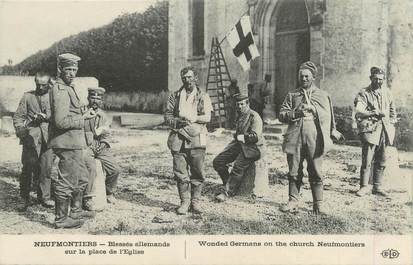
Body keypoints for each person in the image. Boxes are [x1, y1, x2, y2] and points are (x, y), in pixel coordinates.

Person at [278, 61, 343, 215]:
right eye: (301, 76)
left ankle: (318, 204)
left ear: (313, 77)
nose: (304, 79)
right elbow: (281, 115)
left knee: (315, 170)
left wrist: (314, 109)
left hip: (315, 139)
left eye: (307, 76)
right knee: (294, 170)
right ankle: (293, 200)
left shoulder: (323, 95)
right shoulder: (292, 95)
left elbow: (329, 117)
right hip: (295, 139)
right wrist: (296, 113)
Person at [48, 53, 97, 228]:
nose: (72, 73)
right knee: (67, 181)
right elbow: (60, 122)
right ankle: (61, 219)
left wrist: (83, 113)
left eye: (74, 69)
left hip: (74, 142)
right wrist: (83, 118)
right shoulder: (60, 90)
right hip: (66, 142)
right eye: (68, 69)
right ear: (60, 69)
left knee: (82, 177)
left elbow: (71, 112)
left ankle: (75, 212)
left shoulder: (68, 87)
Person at [164, 66, 213, 215]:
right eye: (184, 78)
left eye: (190, 77)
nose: (187, 81)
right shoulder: (175, 96)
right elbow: (167, 116)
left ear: (196, 78)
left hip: (197, 138)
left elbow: (208, 117)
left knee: (197, 172)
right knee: (180, 172)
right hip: (178, 138)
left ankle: (195, 202)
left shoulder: (203, 96)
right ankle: (184, 202)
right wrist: (177, 122)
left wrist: (194, 118)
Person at [13, 72, 54, 211]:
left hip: (49, 138)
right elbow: (18, 118)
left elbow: (59, 117)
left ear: (49, 84)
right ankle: (24, 198)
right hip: (31, 139)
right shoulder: (27, 96)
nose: (40, 87)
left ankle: (44, 197)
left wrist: (47, 118)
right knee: (27, 168)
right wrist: (23, 135)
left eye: (44, 85)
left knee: (46, 168)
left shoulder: (54, 97)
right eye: (38, 84)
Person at [213, 92, 265, 202]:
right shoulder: (240, 116)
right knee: (218, 161)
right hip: (240, 145)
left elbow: (255, 136)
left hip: (253, 148)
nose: (240, 107)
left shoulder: (254, 117)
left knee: (238, 167)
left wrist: (242, 137)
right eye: (238, 105)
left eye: (242, 104)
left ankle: (227, 192)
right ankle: (228, 183)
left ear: (248, 104)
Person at [354, 67, 396, 197]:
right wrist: (373, 112)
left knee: (382, 159)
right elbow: (358, 111)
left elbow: (392, 110)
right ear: (370, 78)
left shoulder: (387, 92)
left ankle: (377, 186)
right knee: (367, 159)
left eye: (380, 79)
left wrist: (391, 123)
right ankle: (364, 186)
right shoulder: (364, 93)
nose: (378, 81)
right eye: (375, 79)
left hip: (384, 129)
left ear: (383, 80)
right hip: (370, 129)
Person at [82, 87, 120, 210]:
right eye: (93, 97)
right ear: (88, 98)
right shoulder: (82, 113)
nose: (95, 100)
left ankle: (109, 192)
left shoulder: (104, 116)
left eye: (98, 98)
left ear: (101, 101)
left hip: (100, 147)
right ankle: (87, 198)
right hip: (86, 146)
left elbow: (106, 133)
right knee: (90, 168)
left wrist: (104, 143)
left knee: (114, 169)